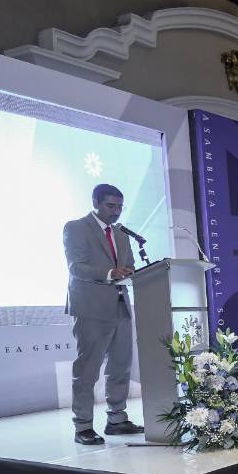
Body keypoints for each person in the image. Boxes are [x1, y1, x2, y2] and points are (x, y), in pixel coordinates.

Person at [63, 183, 144, 445]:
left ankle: (116, 419)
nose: (117, 212)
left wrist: (129, 271)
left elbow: (129, 265)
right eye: (111, 206)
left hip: (120, 305)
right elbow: (77, 267)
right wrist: (110, 273)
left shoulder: (122, 235)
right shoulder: (76, 227)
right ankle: (83, 426)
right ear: (95, 202)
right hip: (91, 307)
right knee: (88, 369)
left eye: (120, 207)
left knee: (120, 366)